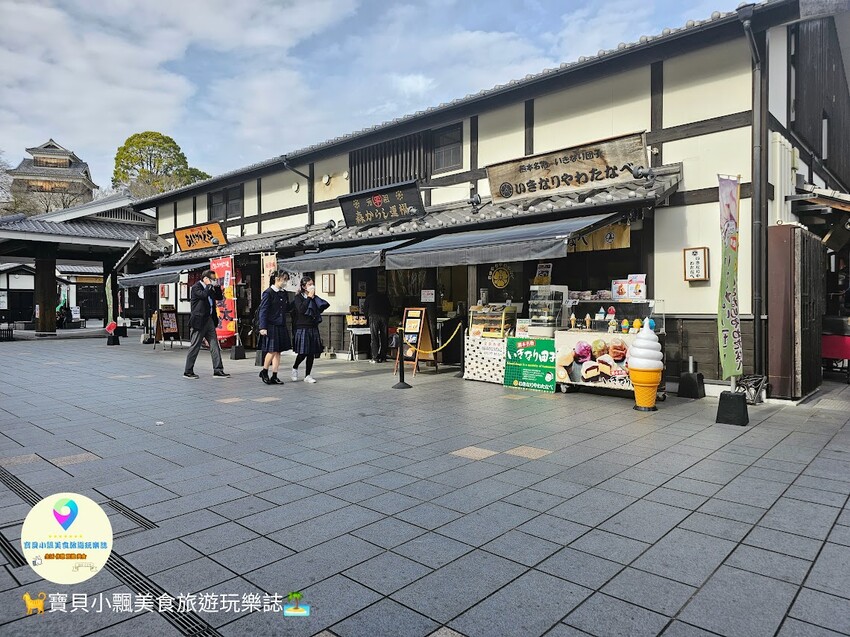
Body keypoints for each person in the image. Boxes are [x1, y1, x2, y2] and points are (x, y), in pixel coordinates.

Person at [184, 269, 230, 379]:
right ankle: (188, 371)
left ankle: (218, 369)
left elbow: (219, 297)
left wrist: (217, 286)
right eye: (212, 279)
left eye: (215, 279)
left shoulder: (211, 288)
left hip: (209, 319)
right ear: (205, 279)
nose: (214, 281)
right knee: (195, 345)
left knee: (214, 344)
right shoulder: (196, 287)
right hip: (199, 321)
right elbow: (204, 295)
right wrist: (209, 286)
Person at [290, 276, 329, 383]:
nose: (312, 286)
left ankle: (308, 375)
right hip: (302, 327)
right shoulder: (298, 297)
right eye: (309, 284)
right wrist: (309, 298)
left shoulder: (314, 297)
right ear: (303, 286)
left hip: (312, 326)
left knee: (311, 352)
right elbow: (301, 309)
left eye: (312, 284)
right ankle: (295, 367)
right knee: (303, 352)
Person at [258, 271, 291, 385]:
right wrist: (262, 327)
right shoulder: (268, 293)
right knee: (272, 350)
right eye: (284, 279)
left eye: (286, 279)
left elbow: (287, 308)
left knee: (278, 351)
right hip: (271, 325)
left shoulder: (283, 293)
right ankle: (264, 371)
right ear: (277, 279)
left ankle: (275, 375)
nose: (285, 281)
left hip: (281, 324)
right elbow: (263, 310)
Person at [363, 288, 390, 363]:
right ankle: (383, 357)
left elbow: (365, 308)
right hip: (384, 316)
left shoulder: (369, 297)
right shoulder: (385, 297)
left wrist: (366, 317)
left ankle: (375, 357)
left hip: (373, 316)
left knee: (374, 336)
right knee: (384, 336)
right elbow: (389, 308)